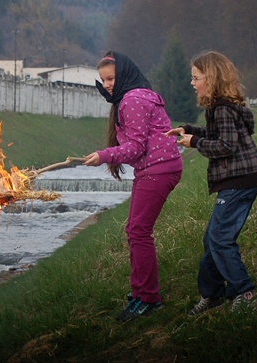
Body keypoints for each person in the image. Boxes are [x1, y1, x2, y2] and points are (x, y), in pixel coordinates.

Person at [84, 51, 183, 323]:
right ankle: (139, 294)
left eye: (111, 78)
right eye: (103, 80)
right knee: (134, 230)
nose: (107, 85)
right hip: (152, 169)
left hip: (158, 170)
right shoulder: (132, 96)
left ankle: (149, 298)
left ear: (124, 74)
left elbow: (136, 146)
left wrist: (104, 155)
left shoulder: (133, 99)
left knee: (139, 232)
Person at [166, 51, 257, 315]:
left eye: (196, 78)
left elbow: (226, 145)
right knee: (212, 239)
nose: (192, 83)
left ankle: (245, 291)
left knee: (219, 238)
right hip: (240, 180)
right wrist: (189, 130)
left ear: (211, 78)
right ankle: (213, 294)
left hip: (238, 181)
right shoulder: (221, 107)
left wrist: (194, 143)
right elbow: (217, 134)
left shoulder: (221, 108)